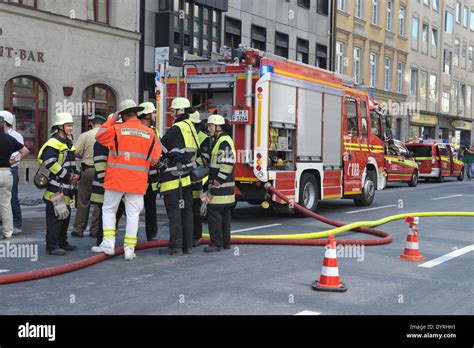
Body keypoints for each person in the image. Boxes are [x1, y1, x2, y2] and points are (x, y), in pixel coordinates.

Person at [93, 100, 161, 261]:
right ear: (136, 113)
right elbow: (155, 159)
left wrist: (111, 120)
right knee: (133, 214)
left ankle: (108, 244)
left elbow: (99, 136)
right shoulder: (150, 133)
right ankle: (129, 249)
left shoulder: (116, 129)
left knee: (109, 210)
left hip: (116, 180)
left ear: (122, 115)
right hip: (137, 181)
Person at [159, 97, 198, 255]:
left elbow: (161, 146)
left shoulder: (177, 128)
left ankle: (175, 247)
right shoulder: (190, 126)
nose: (172, 112)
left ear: (180, 111)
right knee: (186, 211)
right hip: (186, 176)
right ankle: (187, 246)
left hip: (173, 176)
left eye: (173, 109)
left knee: (174, 212)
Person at [37, 113, 80, 255]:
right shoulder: (53, 143)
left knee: (64, 216)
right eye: (68, 125)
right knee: (56, 217)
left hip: (67, 187)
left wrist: (76, 174)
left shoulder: (67, 143)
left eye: (71, 125)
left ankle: (62, 242)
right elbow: (50, 163)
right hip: (56, 187)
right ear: (60, 127)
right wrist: (68, 176)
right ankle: (52, 246)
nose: (71, 128)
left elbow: (71, 163)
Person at [91, 114, 126, 246]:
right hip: (104, 186)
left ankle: (108, 240)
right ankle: (101, 241)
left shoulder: (117, 140)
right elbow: (100, 166)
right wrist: (108, 183)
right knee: (105, 215)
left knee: (115, 213)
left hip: (115, 184)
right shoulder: (101, 143)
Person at [203, 114, 236, 253]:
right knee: (224, 216)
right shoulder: (220, 140)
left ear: (218, 127)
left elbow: (227, 164)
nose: (208, 128)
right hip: (225, 189)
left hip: (221, 187)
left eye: (210, 126)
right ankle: (225, 243)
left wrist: (217, 181)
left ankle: (216, 244)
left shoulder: (223, 142)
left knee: (214, 215)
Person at [71, 115, 106, 238]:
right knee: (98, 202)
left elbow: (76, 152)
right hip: (101, 171)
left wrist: (85, 155)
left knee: (83, 201)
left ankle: (78, 229)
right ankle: (95, 230)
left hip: (87, 171)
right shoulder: (106, 134)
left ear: (92, 123)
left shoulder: (85, 135)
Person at [0, 116, 29, 239]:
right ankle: (8, 232)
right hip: (6, 172)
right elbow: (25, 151)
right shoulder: (10, 139)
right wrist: (13, 161)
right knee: (6, 204)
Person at [137, 102, 160, 241]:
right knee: (131, 208)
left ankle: (151, 235)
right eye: (153, 113)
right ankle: (131, 236)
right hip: (139, 176)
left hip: (151, 178)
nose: (155, 115)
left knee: (151, 207)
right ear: (146, 115)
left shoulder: (154, 131)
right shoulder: (137, 130)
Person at [188, 110, 210, 247]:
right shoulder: (186, 134)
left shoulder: (203, 137)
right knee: (187, 208)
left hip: (196, 178)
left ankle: (196, 236)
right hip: (184, 177)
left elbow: (205, 158)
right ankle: (189, 235)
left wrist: (191, 164)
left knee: (195, 208)